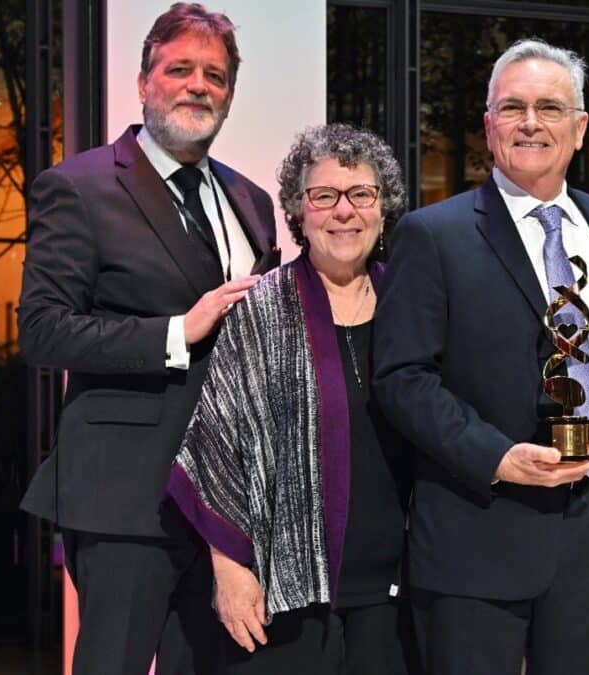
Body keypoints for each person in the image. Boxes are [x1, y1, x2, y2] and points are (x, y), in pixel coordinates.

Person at [17, 4, 278, 672]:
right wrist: (175, 332)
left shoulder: (250, 200)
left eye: (215, 76)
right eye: (180, 69)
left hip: (222, 505)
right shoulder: (79, 187)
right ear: (143, 82)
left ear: (229, 94)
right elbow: (44, 330)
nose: (198, 85)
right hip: (126, 496)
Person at [372, 38, 589, 675]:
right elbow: (402, 378)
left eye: (549, 108)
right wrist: (495, 456)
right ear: (489, 127)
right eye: (512, 108)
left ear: (579, 129)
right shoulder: (431, 234)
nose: (530, 123)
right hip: (479, 526)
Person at [166, 123, 415, 674]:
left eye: (361, 195)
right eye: (323, 196)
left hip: (400, 591)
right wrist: (230, 573)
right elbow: (217, 448)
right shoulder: (261, 310)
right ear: (298, 212)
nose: (343, 211)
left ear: (383, 207)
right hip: (286, 593)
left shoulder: (413, 302)